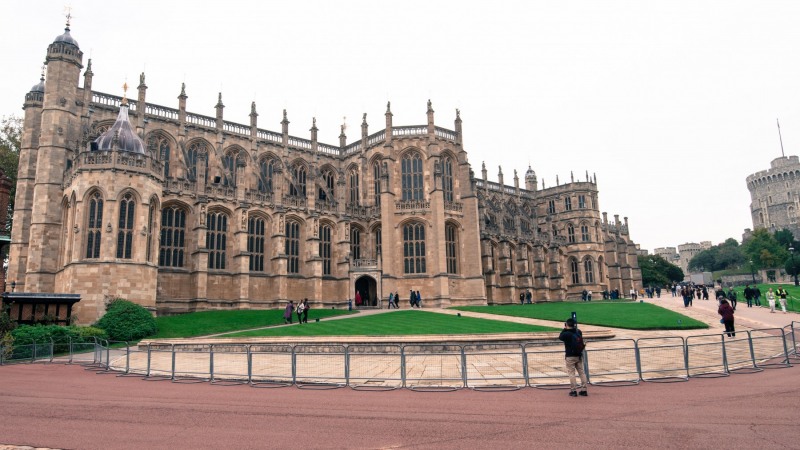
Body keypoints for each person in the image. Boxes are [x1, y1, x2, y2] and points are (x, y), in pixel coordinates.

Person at [558, 318, 587, 397]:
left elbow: (560, 337)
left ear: (567, 325)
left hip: (570, 355)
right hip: (578, 355)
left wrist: (564, 329)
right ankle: (584, 390)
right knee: (581, 372)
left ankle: (573, 390)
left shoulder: (566, 334)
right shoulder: (578, 332)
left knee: (571, 373)